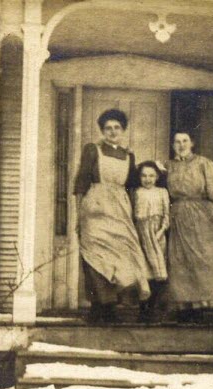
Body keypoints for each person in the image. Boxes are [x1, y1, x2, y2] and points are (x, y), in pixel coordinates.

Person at [73, 108, 150, 324]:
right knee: (95, 257)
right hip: (95, 208)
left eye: (117, 127)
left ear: (123, 130)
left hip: (120, 210)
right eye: (108, 128)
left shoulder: (129, 156)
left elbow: (135, 185)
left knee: (121, 256)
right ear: (102, 131)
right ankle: (99, 307)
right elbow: (81, 183)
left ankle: (114, 304)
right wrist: (79, 215)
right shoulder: (92, 150)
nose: (113, 131)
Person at [166, 131, 213, 322]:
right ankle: (183, 308)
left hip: (200, 215)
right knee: (178, 261)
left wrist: (209, 216)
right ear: (172, 145)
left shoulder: (204, 163)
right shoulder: (167, 166)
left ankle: (199, 307)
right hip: (176, 215)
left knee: (201, 259)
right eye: (177, 141)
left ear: (192, 143)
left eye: (185, 141)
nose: (181, 145)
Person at [133, 161, 170, 322]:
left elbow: (167, 216)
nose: (147, 179)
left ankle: (153, 307)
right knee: (143, 271)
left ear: (157, 177)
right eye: (144, 176)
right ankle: (143, 309)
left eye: (151, 176)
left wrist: (160, 232)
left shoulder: (162, 192)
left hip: (157, 234)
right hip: (140, 233)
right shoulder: (136, 192)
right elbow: (133, 215)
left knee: (158, 272)